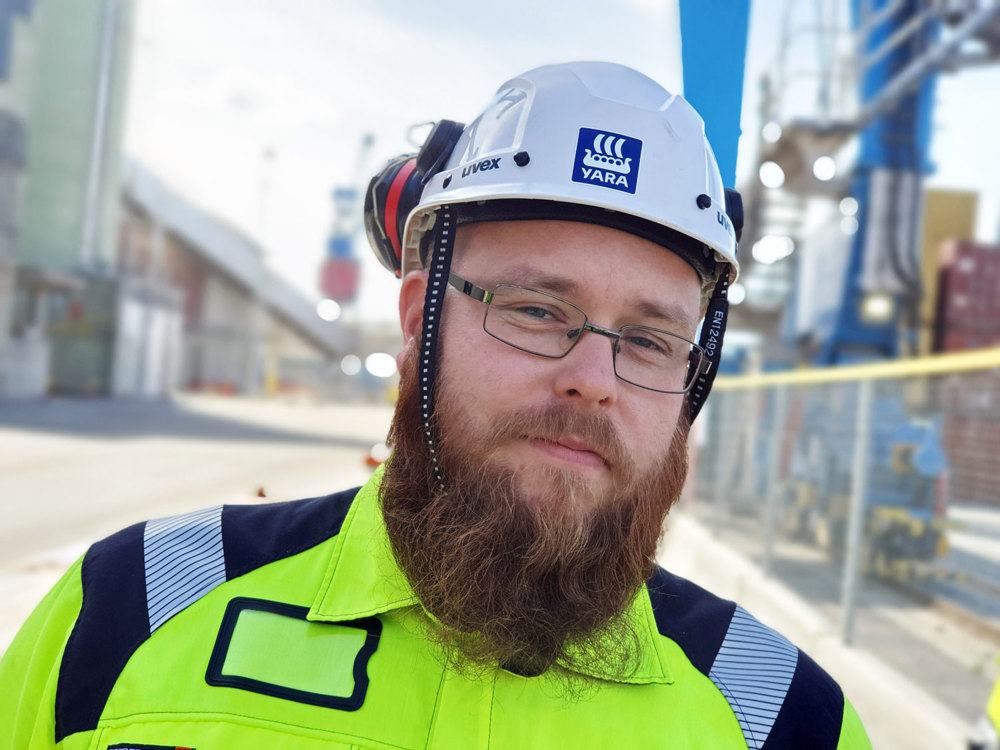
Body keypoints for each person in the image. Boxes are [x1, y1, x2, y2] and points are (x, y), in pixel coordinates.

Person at [0, 61, 871, 749]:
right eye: (536, 311)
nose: (593, 378)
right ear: (419, 315)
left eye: (649, 340)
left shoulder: (784, 722)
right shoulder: (130, 612)